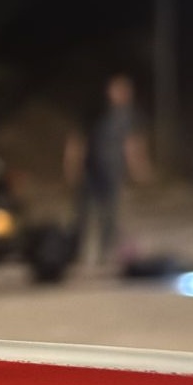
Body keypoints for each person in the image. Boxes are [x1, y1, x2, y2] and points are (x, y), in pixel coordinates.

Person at [63, 74, 151, 266]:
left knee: (109, 214)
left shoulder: (131, 117)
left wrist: (139, 168)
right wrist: (72, 165)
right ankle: (76, 253)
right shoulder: (96, 114)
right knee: (82, 215)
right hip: (90, 171)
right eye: (115, 90)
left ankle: (106, 253)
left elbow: (133, 143)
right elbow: (77, 140)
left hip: (112, 171)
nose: (119, 94)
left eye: (123, 90)